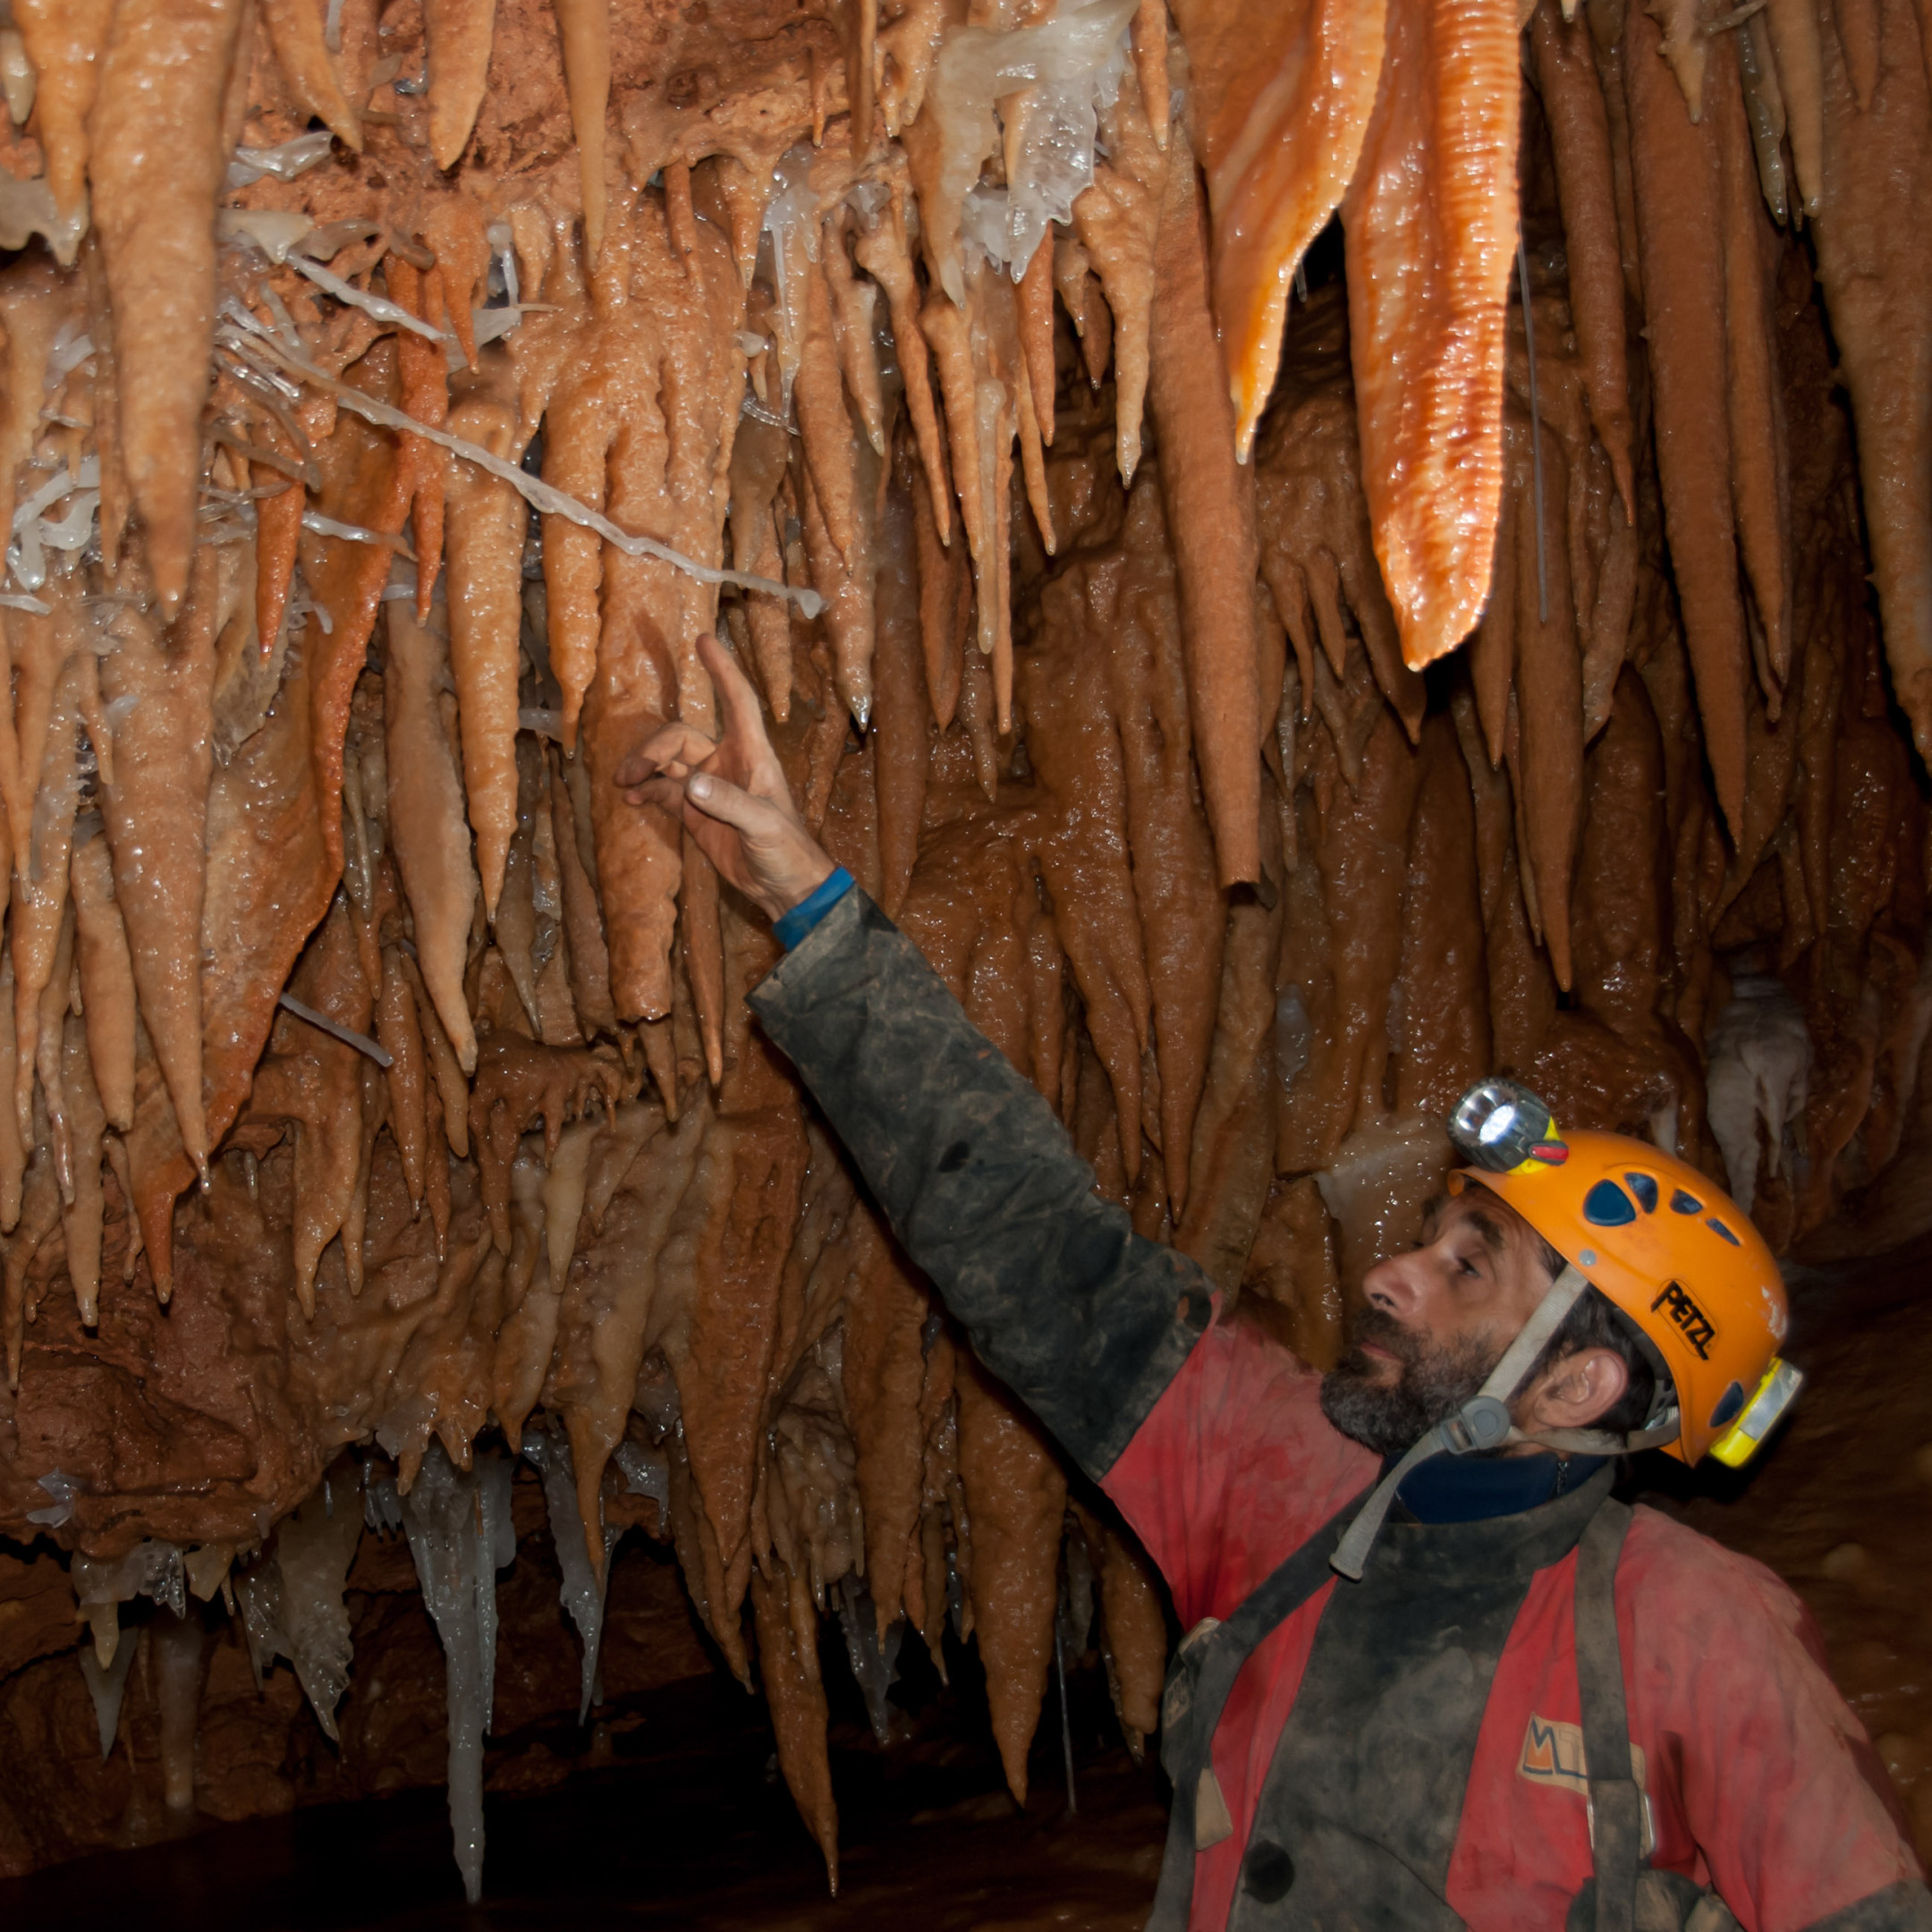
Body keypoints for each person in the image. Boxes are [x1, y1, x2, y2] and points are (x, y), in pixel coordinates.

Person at [616, 632, 1931, 1931]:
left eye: (1466, 1266)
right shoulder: (1279, 1477)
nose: (1391, 1273)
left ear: (1579, 1383)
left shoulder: (1696, 1631)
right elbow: (1023, 1237)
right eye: (1432, 1237)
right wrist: (810, 905)